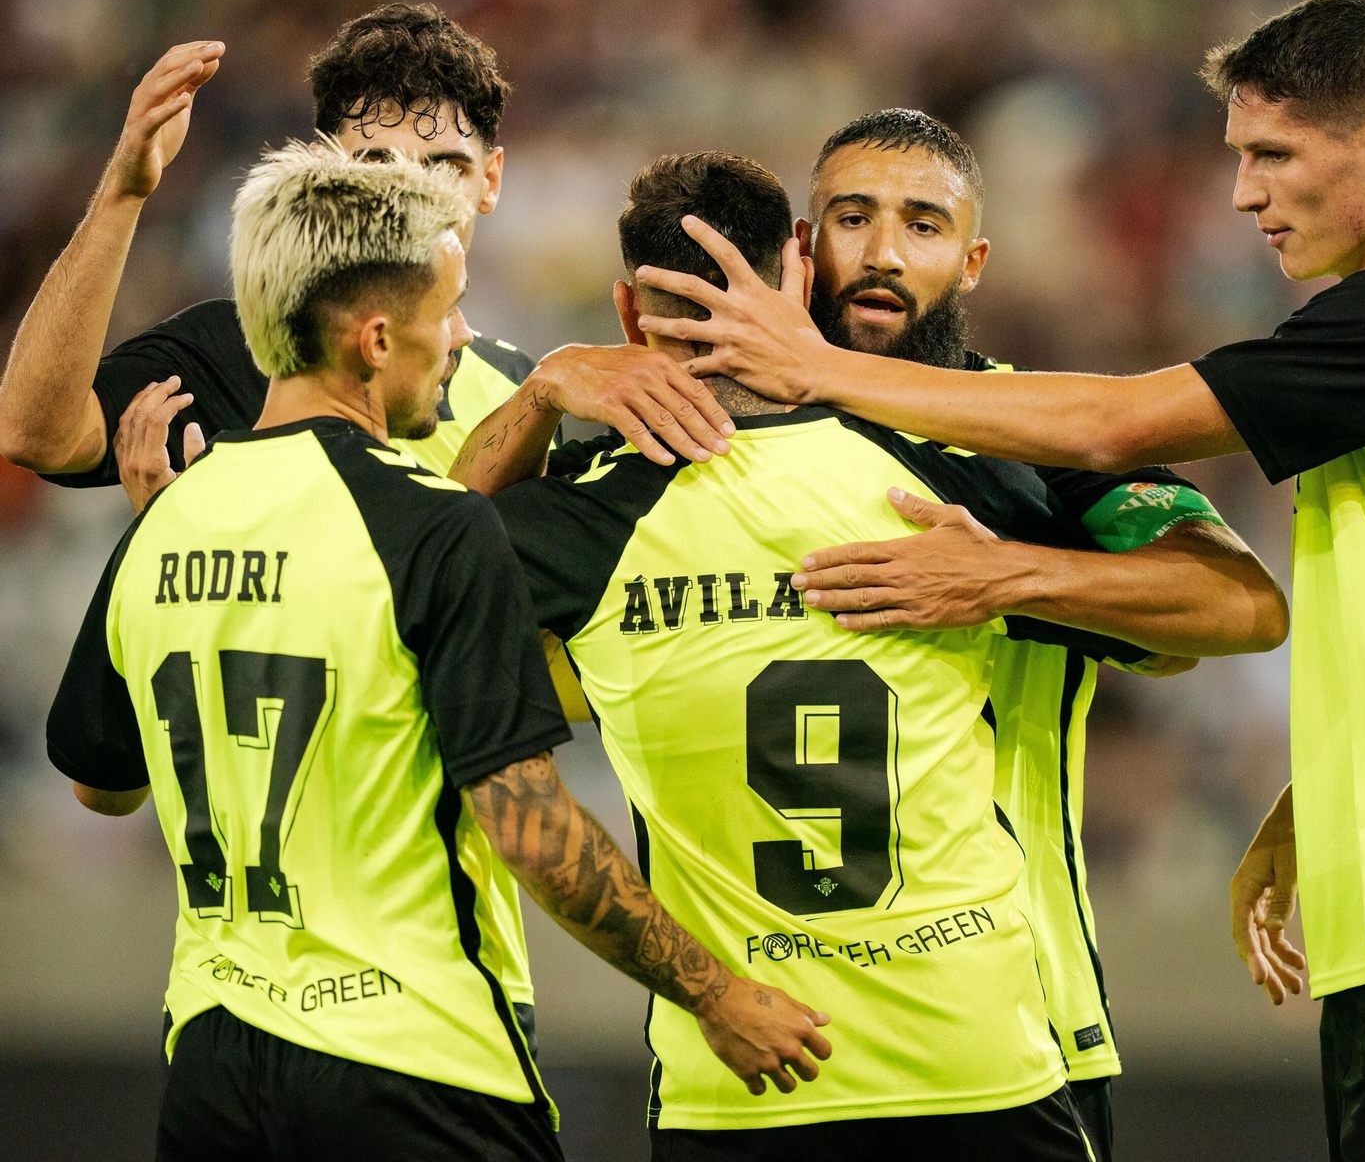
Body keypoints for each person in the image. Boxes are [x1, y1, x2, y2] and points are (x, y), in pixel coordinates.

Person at [631, 0, 1365, 1162]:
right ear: (801, 243)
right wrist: (1325, 797)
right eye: (849, 216)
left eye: (1270, 154)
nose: (1242, 192)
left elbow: (1130, 448)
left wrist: (998, 567)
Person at [44, 142, 828, 1160]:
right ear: (375, 339)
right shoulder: (433, 525)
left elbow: (104, 789)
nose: (460, 338)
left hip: (213, 1064)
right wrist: (715, 992)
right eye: (447, 308)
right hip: (416, 1063)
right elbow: (531, 828)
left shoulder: (163, 524)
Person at [468, 150, 1189, 1161]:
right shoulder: (949, 464)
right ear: (799, 272)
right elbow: (1208, 610)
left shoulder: (581, 512)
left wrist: (542, 392)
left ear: (629, 318)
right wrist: (1016, 576)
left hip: (739, 1080)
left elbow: (403, 595)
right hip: (978, 1058)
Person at [0, 2, 732, 507]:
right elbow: (33, 433)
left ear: (492, 181)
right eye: (376, 161)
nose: (411, 190)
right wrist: (126, 194)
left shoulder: (517, 386)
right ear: (322, 173)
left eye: (443, 163)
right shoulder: (244, 347)